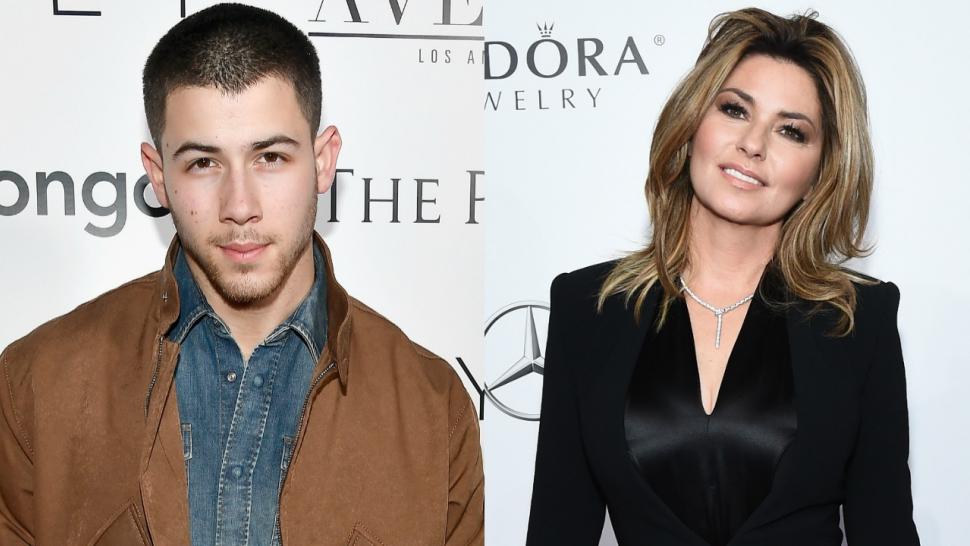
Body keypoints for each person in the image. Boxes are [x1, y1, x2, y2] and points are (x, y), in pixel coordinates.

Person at [0, 4, 483, 545]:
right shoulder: (35, 385)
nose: (240, 206)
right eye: (203, 163)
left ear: (324, 161)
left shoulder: (432, 408)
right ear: (158, 176)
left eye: (270, 157)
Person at [526, 8, 918, 546]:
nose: (754, 144)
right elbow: (557, 527)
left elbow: (886, 529)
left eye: (791, 131)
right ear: (692, 125)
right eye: (735, 109)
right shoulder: (587, 306)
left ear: (820, 171)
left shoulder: (858, 318)